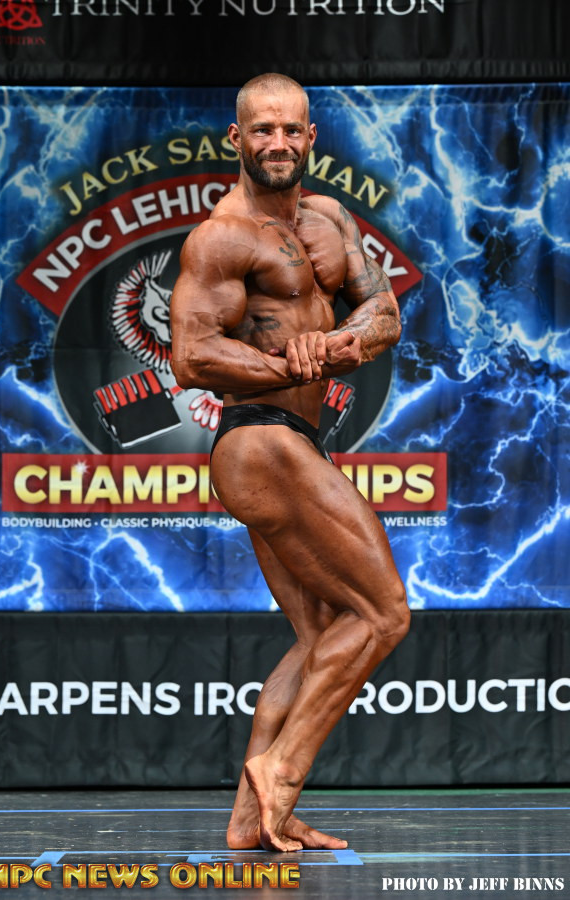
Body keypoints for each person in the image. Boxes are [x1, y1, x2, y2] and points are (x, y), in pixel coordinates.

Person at [170, 73, 410, 853]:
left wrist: (336, 345)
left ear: (311, 137)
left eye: (289, 129)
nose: (277, 142)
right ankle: (283, 768)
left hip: (296, 440)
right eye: (261, 129)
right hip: (259, 439)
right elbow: (191, 356)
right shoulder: (221, 237)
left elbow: (384, 313)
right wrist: (289, 366)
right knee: (383, 613)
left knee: (319, 636)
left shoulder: (332, 218)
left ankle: (250, 819)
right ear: (235, 140)